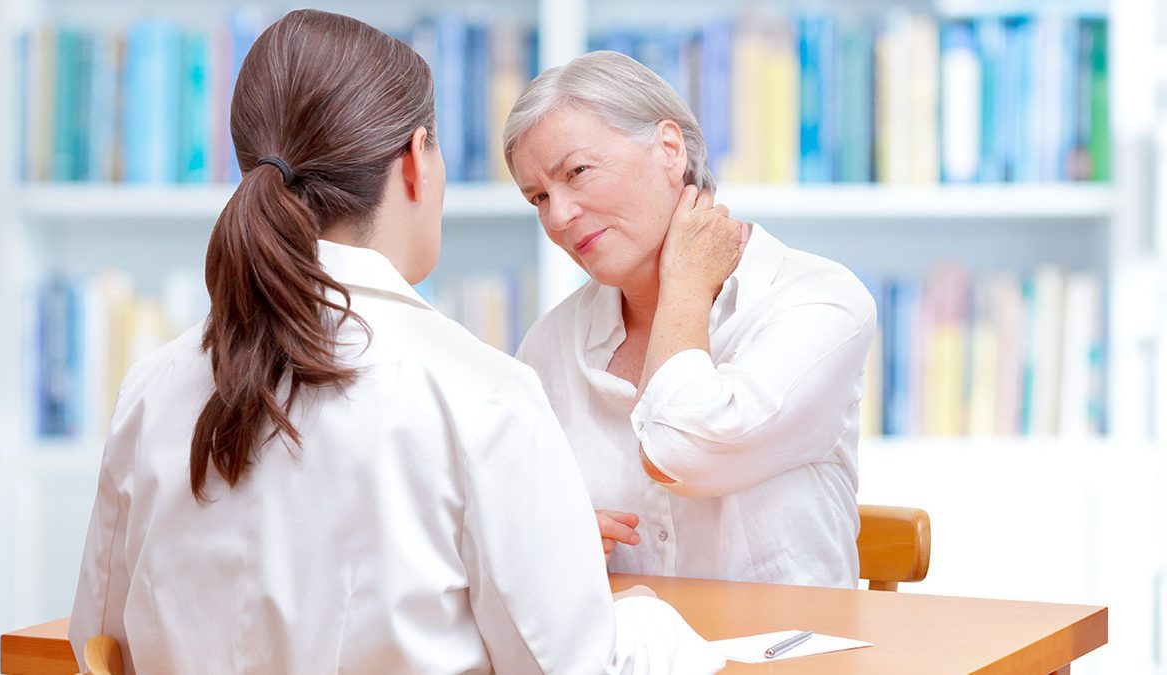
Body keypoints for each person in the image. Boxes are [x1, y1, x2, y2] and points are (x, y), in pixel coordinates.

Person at [69, 13, 725, 674]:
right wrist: (644, 618)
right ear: (416, 160)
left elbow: (97, 646)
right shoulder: (481, 393)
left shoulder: (153, 386)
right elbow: (573, 666)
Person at [504, 51, 875, 588]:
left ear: (669, 149)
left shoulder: (818, 300)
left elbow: (680, 453)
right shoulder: (549, 345)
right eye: (538, 197)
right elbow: (507, 520)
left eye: (578, 172)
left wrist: (683, 285)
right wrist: (550, 537)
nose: (557, 217)